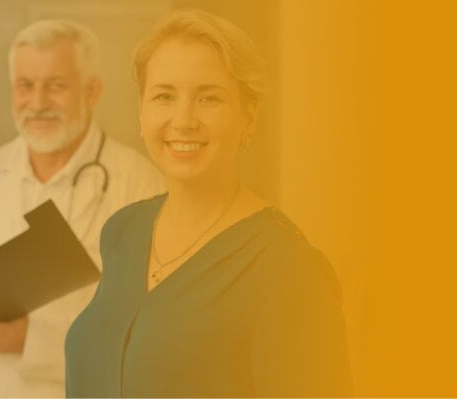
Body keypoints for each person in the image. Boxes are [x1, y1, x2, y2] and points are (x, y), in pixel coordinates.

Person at [65, 8, 353, 397]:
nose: (183, 120)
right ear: (142, 110)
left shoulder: (288, 269)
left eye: (209, 98)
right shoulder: (122, 232)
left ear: (249, 117)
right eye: (164, 96)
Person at [0, 20, 164, 397]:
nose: (38, 102)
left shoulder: (142, 186)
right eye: (25, 86)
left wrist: (33, 340)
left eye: (56, 85)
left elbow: (152, 328)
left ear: (92, 91)